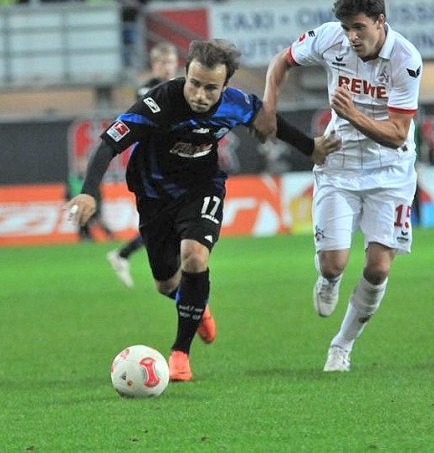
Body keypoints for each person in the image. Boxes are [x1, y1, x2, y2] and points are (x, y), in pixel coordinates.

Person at [67, 39, 339, 382]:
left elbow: (271, 122)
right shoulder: (159, 103)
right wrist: (90, 192)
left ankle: (180, 353)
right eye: (194, 84)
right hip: (154, 197)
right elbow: (109, 142)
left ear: (224, 86)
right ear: (185, 75)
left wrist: (310, 146)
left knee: (195, 256)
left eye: (211, 88)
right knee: (165, 284)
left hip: (202, 188)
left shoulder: (236, 104)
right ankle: (194, 303)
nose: (200, 94)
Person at [262, 0, 423, 372]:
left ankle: (341, 346)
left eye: (359, 28)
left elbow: (398, 134)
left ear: (380, 22)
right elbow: (280, 61)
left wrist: (352, 114)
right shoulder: (329, 38)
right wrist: (269, 108)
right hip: (339, 162)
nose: (351, 37)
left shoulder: (406, 59)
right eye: (347, 27)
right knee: (333, 264)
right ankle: (329, 280)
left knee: (378, 266)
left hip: (391, 170)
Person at [107, 41, 180, 287]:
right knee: (164, 223)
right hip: (151, 168)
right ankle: (124, 255)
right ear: (153, 65)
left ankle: (123, 254)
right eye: (162, 62)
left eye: (170, 62)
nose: (167, 67)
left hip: (172, 166)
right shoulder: (146, 92)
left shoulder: (182, 88)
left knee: (167, 223)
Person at [66, 157, 115, 243]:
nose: (80, 168)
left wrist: (98, 205)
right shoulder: (72, 179)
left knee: (97, 221)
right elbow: (68, 193)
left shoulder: (90, 177)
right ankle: (87, 238)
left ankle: (110, 235)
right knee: (82, 222)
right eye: (79, 166)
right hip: (78, 205)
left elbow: (98, 193)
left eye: (82, 165)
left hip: (91, 204)